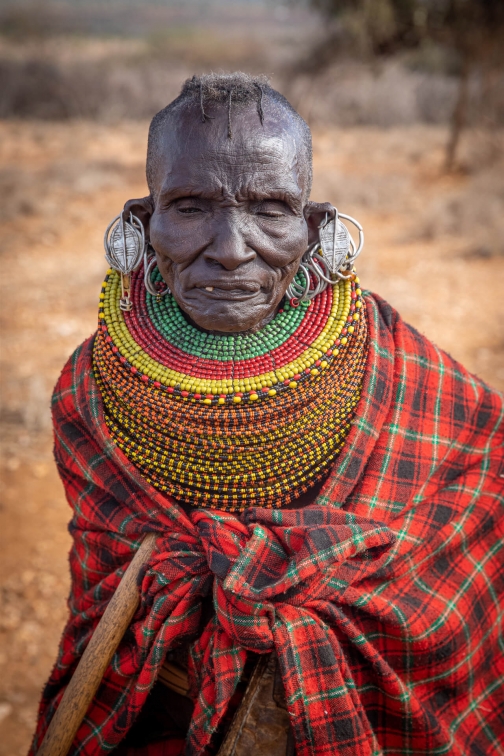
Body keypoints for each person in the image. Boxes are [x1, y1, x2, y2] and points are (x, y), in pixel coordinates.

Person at [31, 73, 503, 756]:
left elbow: (479, 484)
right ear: (141, 221)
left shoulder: (391, 361)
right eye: (190, 206)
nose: (229, 248)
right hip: (157, 710)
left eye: (271, 209)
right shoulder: (91, 386)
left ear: (316, 229)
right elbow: (104, 591)